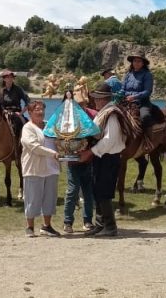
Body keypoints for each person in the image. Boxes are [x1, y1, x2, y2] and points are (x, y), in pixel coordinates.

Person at [44, 89, 99, 234]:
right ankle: (68, 222)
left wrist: (90, 149)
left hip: (88, 159)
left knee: (88, 191)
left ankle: (87, 221)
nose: (79, 106)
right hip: (73, 161)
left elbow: (98, 135)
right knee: (72, 190)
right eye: (77, 104)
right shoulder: (66, 116)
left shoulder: (93, 115)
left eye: (81, 104)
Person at [77, 82, 127, 237]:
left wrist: (90, 152)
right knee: (98, 190)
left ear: (104, 99)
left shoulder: (111, 114)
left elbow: (109, 140)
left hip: (108, 157)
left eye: (97, 98)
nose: (95, 101)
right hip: (102, 157)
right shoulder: (104, 113)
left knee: (104, 192)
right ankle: (100, 225)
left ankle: (110, 226)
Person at [20, 100, 61, 237]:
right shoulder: (27, 128)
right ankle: (30, 227)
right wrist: (53, 153)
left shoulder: (50, 125)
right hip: (34, 168)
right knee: (32, 198)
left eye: (42, 109)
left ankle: (47, 226)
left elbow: (59, 141)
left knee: (50, 198)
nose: (40, 112)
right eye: (37, 109)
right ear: (30, 112)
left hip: (52, 167)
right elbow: (34, 147)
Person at [122, 50, 154, 142]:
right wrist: (118, 94)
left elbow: (147, 91)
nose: (136, 63)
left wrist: (134, 97)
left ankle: (148, 141)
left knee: (145, 117)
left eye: (139, 61)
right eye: (135, 61)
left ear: (143, 63)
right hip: (126, 101)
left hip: (142, 102)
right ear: (132, 62)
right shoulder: (128, 75)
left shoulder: (147, 75)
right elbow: (123, 89)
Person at [0, 69, 31, 137]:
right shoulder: (1, 91)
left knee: (22, 125)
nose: (10, 79)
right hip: (4, 113)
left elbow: (28, 101)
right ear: (4, 79)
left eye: (11, 77)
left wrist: (21, 113)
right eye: (8, 77)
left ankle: (19, 142)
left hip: (16, 113)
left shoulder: (18, 89)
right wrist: (3, 111)